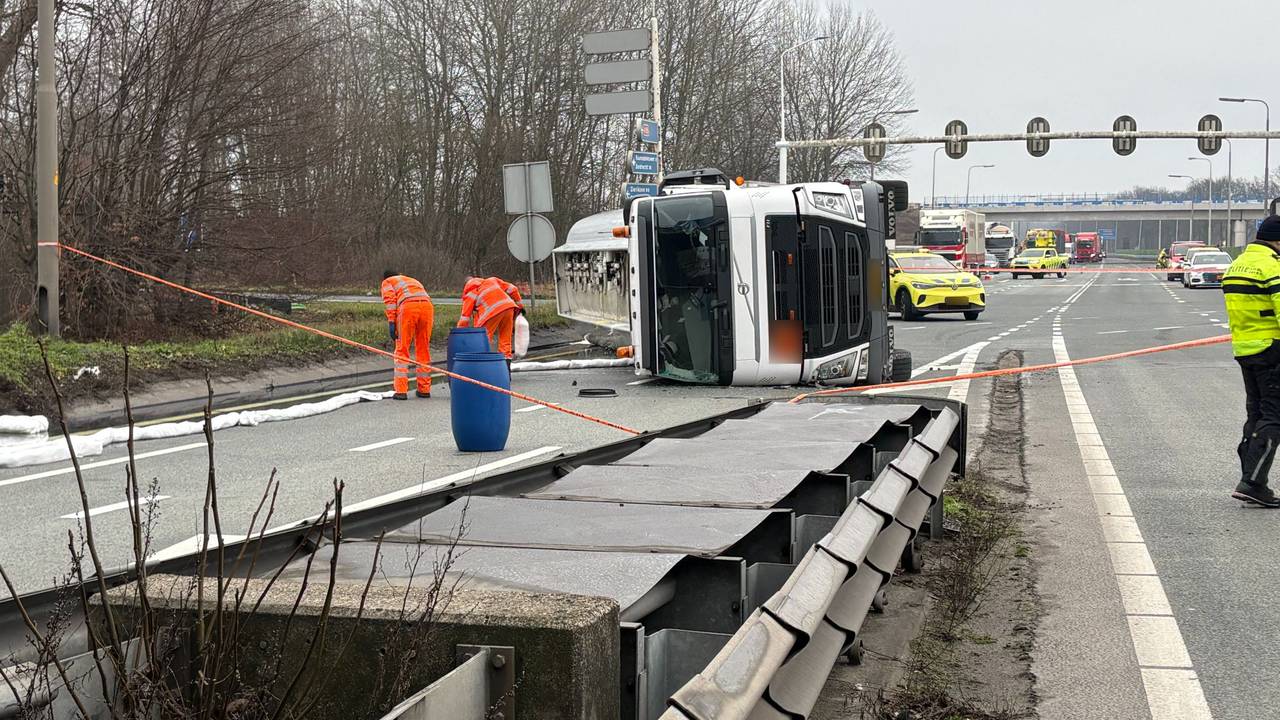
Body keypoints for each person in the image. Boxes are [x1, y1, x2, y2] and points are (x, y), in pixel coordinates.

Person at [1222, 215, 1280, 506]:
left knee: (1256, 414)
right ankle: (1253, 482)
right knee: (1274, 416)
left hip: (1245, 348)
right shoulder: (1272, 266)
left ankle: (1252, 480)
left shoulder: (1237, 265)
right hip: (1272, 348)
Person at [381, 270, 435, 400]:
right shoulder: (411, 280)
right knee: (423, 349)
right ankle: (424, 389)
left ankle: (401, 391)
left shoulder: (387, 281)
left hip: (408, 308)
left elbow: (390, 302)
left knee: (402, 349)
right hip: (427, 307)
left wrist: (391, 321)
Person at [458, 276, 524, 358]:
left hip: (491, 312)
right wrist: (520, 306)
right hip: (509, 308)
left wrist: (459, 334)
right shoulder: (492, 280)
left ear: (466, 286)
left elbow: (465, 317)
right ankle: (506, 362)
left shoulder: (470, 293)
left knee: (482, 338)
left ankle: (482, 361)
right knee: (505, 338)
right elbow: (513, 289)